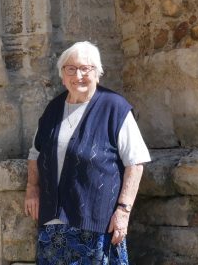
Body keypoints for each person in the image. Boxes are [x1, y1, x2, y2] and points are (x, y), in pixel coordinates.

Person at [24, 41, 151, 265]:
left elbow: (136, 161)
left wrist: (123, 210)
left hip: (97, 224)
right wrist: (32, 188)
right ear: (62, 75)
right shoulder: (53, 109)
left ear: (98, 73)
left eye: (86, 68)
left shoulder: (114, 107)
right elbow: (36, 152)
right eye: (71, 69)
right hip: (53, 225)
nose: (78, 75)